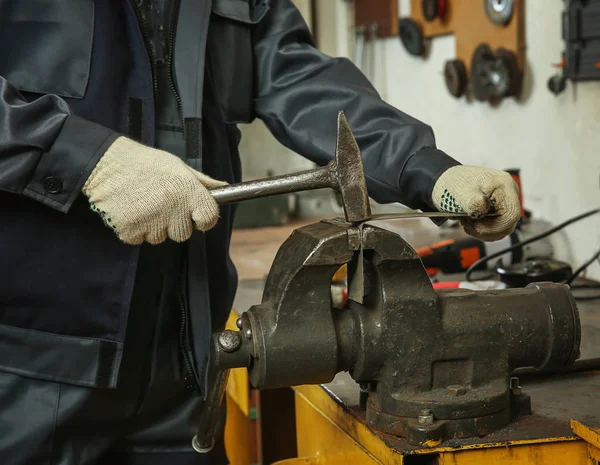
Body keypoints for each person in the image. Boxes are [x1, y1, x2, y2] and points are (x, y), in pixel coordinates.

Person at [0, 1, 520, 464]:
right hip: (30, 366)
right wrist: (85, 160)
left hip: (186, 369)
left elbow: (297, 78)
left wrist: (428, 170)